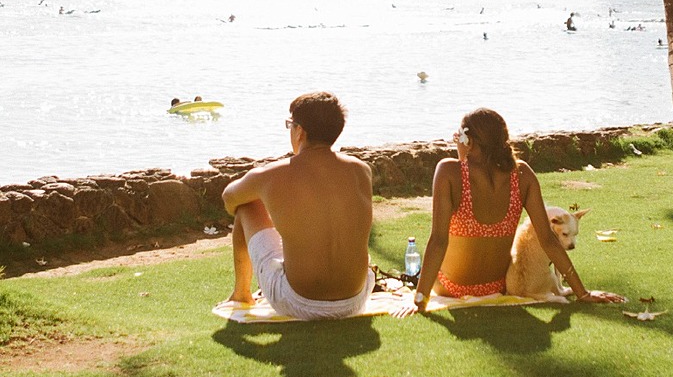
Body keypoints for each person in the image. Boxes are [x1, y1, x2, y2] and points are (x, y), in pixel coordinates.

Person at [394, 108, 625, 316]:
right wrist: (582, 292)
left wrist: (420, 299)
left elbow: (438, 241)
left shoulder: (448, 170)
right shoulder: (522, 174)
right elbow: (547, 240)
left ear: (468, 139)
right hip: (496, 285)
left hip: (451, 287)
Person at [219, 91, 374, 320]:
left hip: (300, 302)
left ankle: (241, 294)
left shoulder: (272, 175)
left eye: (290, 125)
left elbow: (229, 199)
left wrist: (269, 197)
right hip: (355, 300)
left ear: (300, 131)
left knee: (247, 206)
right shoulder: (361, 170)